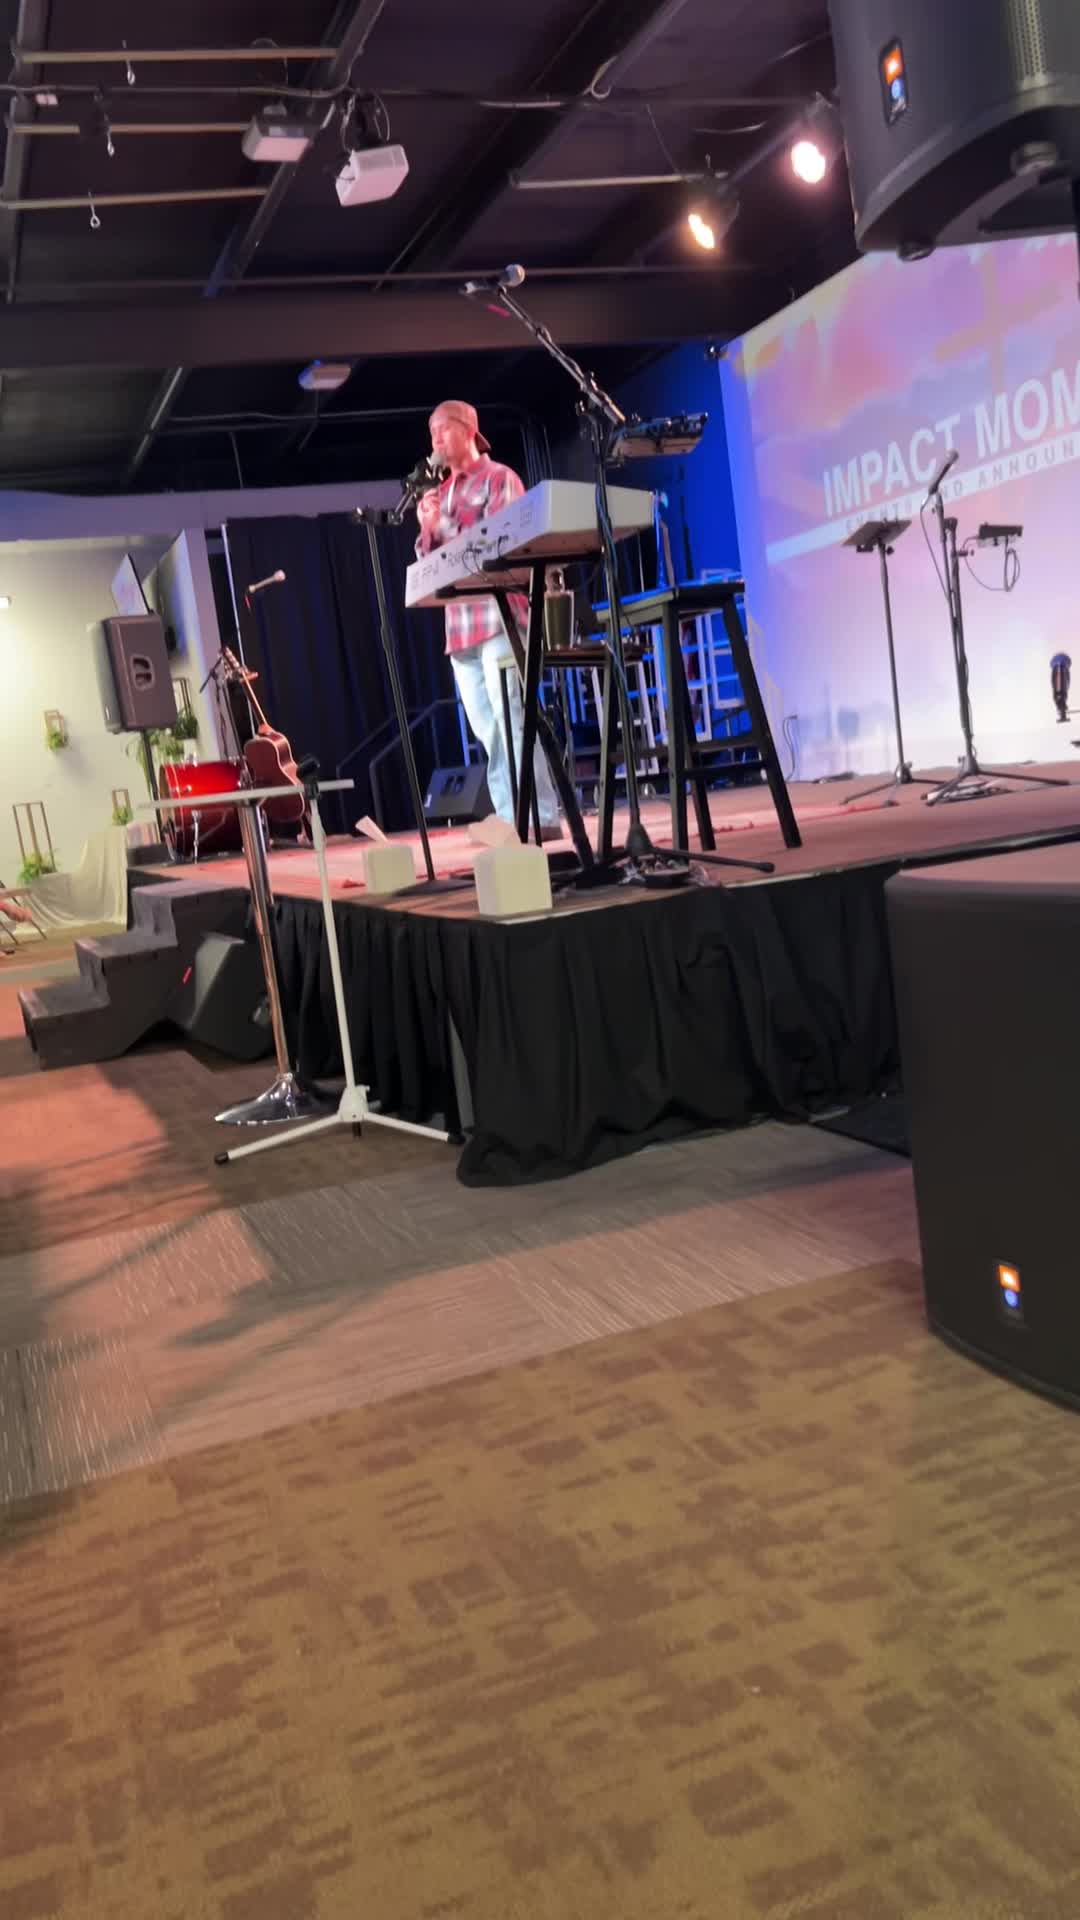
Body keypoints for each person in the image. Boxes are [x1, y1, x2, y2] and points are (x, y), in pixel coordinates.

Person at [415, 399, 561, 836]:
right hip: (460, 628)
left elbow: (502, 540)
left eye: (442, 429)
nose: (436, 440)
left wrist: (443, 526)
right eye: (431, 432)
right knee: (488, 731)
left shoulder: (500, 478)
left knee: (513, 717)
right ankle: (511, 817)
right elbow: (430, 562)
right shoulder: (440, 494)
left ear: (467, 430)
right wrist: (427, 527)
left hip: (499, 618)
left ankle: (543, 816)